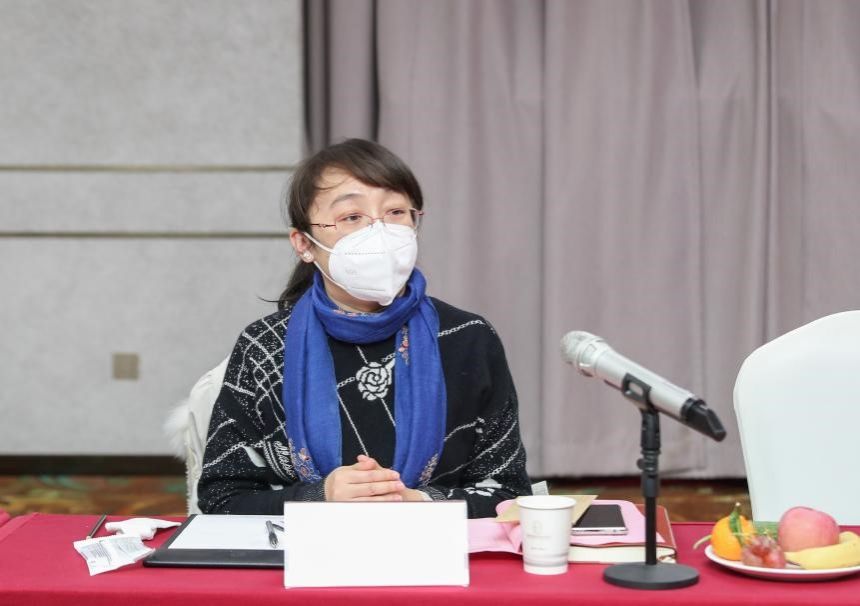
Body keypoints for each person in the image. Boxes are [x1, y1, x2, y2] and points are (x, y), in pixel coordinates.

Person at [198, 139, 531, 518]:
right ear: (303, 243)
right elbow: (221, 497)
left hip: (432, 550)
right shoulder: (264, 346)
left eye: (395, 212)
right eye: (352, 217)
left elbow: (508, 493)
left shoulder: (467, 337)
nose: (379, 231)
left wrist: (420, 502)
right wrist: (319, 496)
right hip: (305, 552)